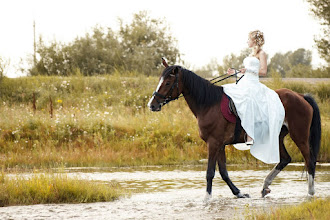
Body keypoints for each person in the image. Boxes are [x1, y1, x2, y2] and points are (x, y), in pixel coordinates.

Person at [222, 30, 285, 164]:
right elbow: (246, 73)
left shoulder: (262, 53)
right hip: (245, 82)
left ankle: (250, 135)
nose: (247, 41)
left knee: (248, 100)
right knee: (226, 91)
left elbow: (263, 71)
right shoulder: (251, 54)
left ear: (255, 40)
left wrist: (248, 70)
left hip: (254, 85)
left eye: (249, 39)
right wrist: (236, 72)